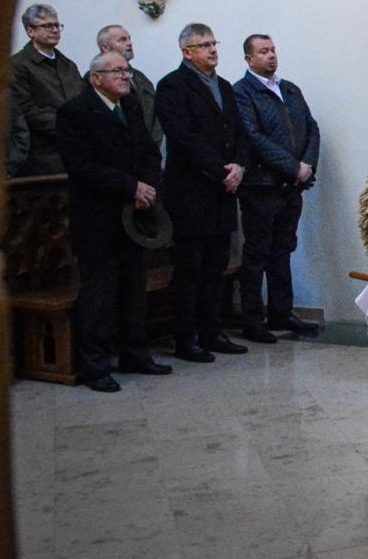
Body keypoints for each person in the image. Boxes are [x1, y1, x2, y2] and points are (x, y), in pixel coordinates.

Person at [55, 52, 172, 392]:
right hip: (98, 218)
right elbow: (82, 166)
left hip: (135, 215)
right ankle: (95, 365)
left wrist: (146, 187)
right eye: (117, 71)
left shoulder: (131, 107)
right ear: (96, 78)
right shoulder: (75, 113)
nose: (125, 76)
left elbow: (150, 151)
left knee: (133, 290)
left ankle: (134, 353)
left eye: (126, 70)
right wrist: (130, 186)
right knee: (100, 295)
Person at [157, 23, 250, 362]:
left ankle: (212, 332)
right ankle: (186, 339)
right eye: (204, 45)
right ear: (187, 52)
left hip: (224, 190)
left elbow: (239, 131)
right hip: (191, 191)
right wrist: (219, 171)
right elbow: (182, 138)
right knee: (189, 269)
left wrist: (239, 165)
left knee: (216, 267)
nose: (213, 50)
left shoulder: (224, 86)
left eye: (214, 43)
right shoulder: (172, 86)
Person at [232, 34, 322, 343]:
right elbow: (253, 136)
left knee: (283, 251)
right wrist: (292, 166)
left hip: (290, 187)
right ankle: (253, 320)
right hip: (260, 186)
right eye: (263, 51)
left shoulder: (289, 89)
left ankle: (281, 313)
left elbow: (311, 128)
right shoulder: (242, 92)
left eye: (272, 50)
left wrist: (306, 165)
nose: (271, 56)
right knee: (257, 254)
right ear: (249, 59)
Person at [9, 3, 84, 175]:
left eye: (57, 25)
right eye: (47, 26)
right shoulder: (18, 65)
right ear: (30, 31)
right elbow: (25, 110)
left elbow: (83, 100)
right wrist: (70, 128)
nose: (55, 30)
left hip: (76, 151)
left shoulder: (68, 65)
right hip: (42, 155)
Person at [97, 24, 163, 148]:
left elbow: (155, 115)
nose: (129, 43)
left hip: (149, 148)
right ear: (105, 48)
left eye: (129, 38)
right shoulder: (98, 79)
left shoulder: (140, 77)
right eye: (122, 40)